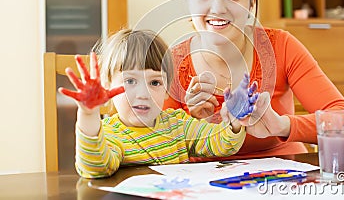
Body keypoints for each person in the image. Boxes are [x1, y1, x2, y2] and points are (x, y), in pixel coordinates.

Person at [163, 0, 344, 160]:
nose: (217, 8)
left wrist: (281, 125)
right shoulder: (172, 62)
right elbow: (152, 144)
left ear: (251, 2)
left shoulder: (281, 46)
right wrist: (196, 126)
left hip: (284, 175)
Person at [58, 29, 258, 178]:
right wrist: (88, 113)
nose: (143, 93)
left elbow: (220, 145)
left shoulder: (178, 125)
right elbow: (95, 167)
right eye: (130, 81)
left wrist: (234, 120)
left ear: (166, 89)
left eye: (154, 82)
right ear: (108, 84)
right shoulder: (110, 134)